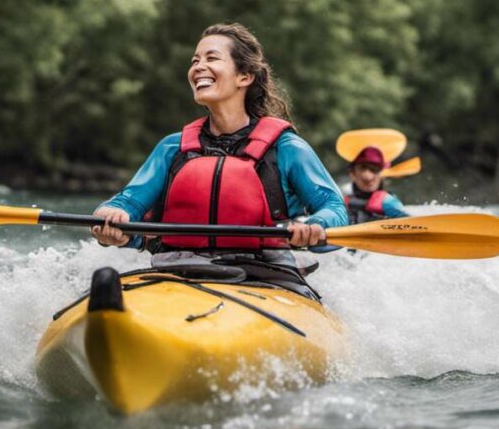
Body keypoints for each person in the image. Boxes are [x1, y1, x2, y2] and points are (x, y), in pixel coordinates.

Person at [90, 23, 347, 294]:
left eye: (211, 58)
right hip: (176, 274)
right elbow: (126, 203)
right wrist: (111, 218)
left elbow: (336, 210)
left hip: (267, 279)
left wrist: (314, 227)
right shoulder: (173, 148)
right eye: (195, 61)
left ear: (244, 76)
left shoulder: (287, 148)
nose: (198, 67)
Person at [342, 146, 409, 223]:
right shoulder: (343, 203)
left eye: (374, 169)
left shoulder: (388, 201)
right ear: (353, 174)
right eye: (362, 168)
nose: (368, 177)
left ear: (381, 175)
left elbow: (409, 224)